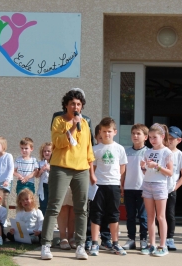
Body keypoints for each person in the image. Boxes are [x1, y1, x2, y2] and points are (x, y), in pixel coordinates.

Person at [41, 89, 95, 260]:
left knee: (82, 208)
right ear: (66, 105)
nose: (76, 107)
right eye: (72, 104)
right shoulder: (58, 120)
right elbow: (58, 142)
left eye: (79, 104)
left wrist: (91, 170)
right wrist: (72, 126)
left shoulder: (85, 123)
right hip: (61, 167)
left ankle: (80, 245)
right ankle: (46, 245)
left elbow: (88, 148)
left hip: (81, 169)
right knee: (54, 206)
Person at [89, 117, 128, 256]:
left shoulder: (119, 148)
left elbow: (122, 168)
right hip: (99, 185)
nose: (107, 134)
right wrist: (93, 179)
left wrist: (120, 183)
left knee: (113, 214)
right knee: (96, 214)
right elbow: (91, 167)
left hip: (114, 185)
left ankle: (115, 243)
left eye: (109, 131)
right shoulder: (95, 149)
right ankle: (94, 243)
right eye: (104, 131)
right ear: (100, 132)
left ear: (115, 132)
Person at [140, 123, 173, 257]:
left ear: (162, 136)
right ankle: (151, 244)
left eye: (155, 137)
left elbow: (170, 172)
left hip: (160, 185)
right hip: (147, 184)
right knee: (150, 216)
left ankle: (163, 245)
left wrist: (157, 166)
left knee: (161, 216)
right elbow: (146, 172)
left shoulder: (167, 152)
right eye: (151, 138)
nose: (152, 140)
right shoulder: (148, 151)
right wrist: (143, 167)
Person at [121, 124, 148, 250]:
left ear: (145, 137)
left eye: (138, 134)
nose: (135, 136)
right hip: (129, 188)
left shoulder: (148, 152)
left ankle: (144, 239)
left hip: (143, 188)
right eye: (133, 133)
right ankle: (131, 239)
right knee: (130, 215)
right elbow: (123, 171)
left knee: (143, 216)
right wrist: (121, 184)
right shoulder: (126, 152)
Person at [85, 125, 112, 251]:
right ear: (96, 137)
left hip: (108, 184)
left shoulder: (111, 149)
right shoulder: (93, 150)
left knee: (107, 212)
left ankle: (106, 238)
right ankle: (90, 238)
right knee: (94, 212)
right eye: (100, 138)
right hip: (94, 185)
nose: (103, 140)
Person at [165, 126, 182, 251]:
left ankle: (170, 238)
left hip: (171, 189)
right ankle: (161, 237)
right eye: (167, 138)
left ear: (179, 140)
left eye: (172, 139)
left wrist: (175, 187)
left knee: (170, 214)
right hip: (158, 187)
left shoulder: (180, 155)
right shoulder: (161, 151)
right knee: (159, 215)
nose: (169, 141)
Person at [0, 136, 14, 223]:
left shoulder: (8, 156)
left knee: (4, 200)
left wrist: (7, 180)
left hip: (6, 182)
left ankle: (4, 220)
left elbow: (11, 169)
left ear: (3, 145)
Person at [36, 142, 53, 216]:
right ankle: (43, 221)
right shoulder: (40, 163)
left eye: (48, 151)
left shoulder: (55, 163)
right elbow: (37, 175)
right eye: (44, 151)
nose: (46, 152)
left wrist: (49, 169)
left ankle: (52, 222)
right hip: (43, 186)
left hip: (52, 186)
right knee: (43, 204)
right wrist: (41, 170)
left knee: (52, 205)